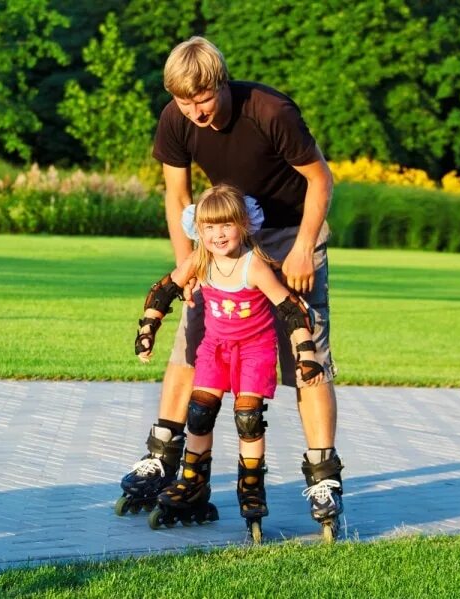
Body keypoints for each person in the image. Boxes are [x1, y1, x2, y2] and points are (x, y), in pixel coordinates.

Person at [118, 36, 344, 539]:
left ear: (221, 82)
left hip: (290, 233)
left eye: (203, 99)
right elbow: (177, 196)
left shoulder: (269, 110)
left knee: (306, 349)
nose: (195, 111)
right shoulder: (175, 120)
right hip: (222, 235)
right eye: (184, 101)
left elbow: (321, 180)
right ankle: (164, 459)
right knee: (192, 338)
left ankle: (323, 477)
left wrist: (305, 246)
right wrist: (188, 265)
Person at [132, 185, 323, 542]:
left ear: (244, 225)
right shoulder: (201, 260)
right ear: (198, 230)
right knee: (199, 414)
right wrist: (147, 328)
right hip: (215, 349)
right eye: (209, 227)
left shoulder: (255, 265)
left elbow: (290, 308)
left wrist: (306, 354)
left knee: (248, 419)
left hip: (255, 350)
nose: (217, 234)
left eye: (226, 226)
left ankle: (251, 489)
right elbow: (165, 289)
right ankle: (191, 483)